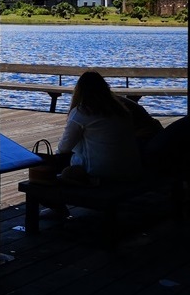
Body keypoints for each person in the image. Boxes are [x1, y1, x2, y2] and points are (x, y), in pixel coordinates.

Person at [41, 70, 145, 220]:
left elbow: (64, 148)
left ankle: (58, 208)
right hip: (130, 170)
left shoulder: (82, 112)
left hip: (101, 173)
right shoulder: (120, 110)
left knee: (45, 171)